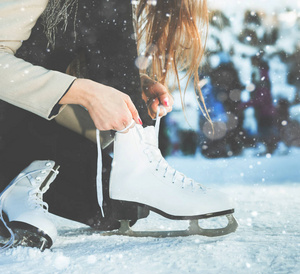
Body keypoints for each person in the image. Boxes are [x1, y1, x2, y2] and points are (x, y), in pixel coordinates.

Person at [0, 0, 237, 250]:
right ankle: (11, 183)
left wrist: (131, 90)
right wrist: (85, 93)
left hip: (23, 120)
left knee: (116, 207)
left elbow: (48, 54)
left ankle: (15, 183)